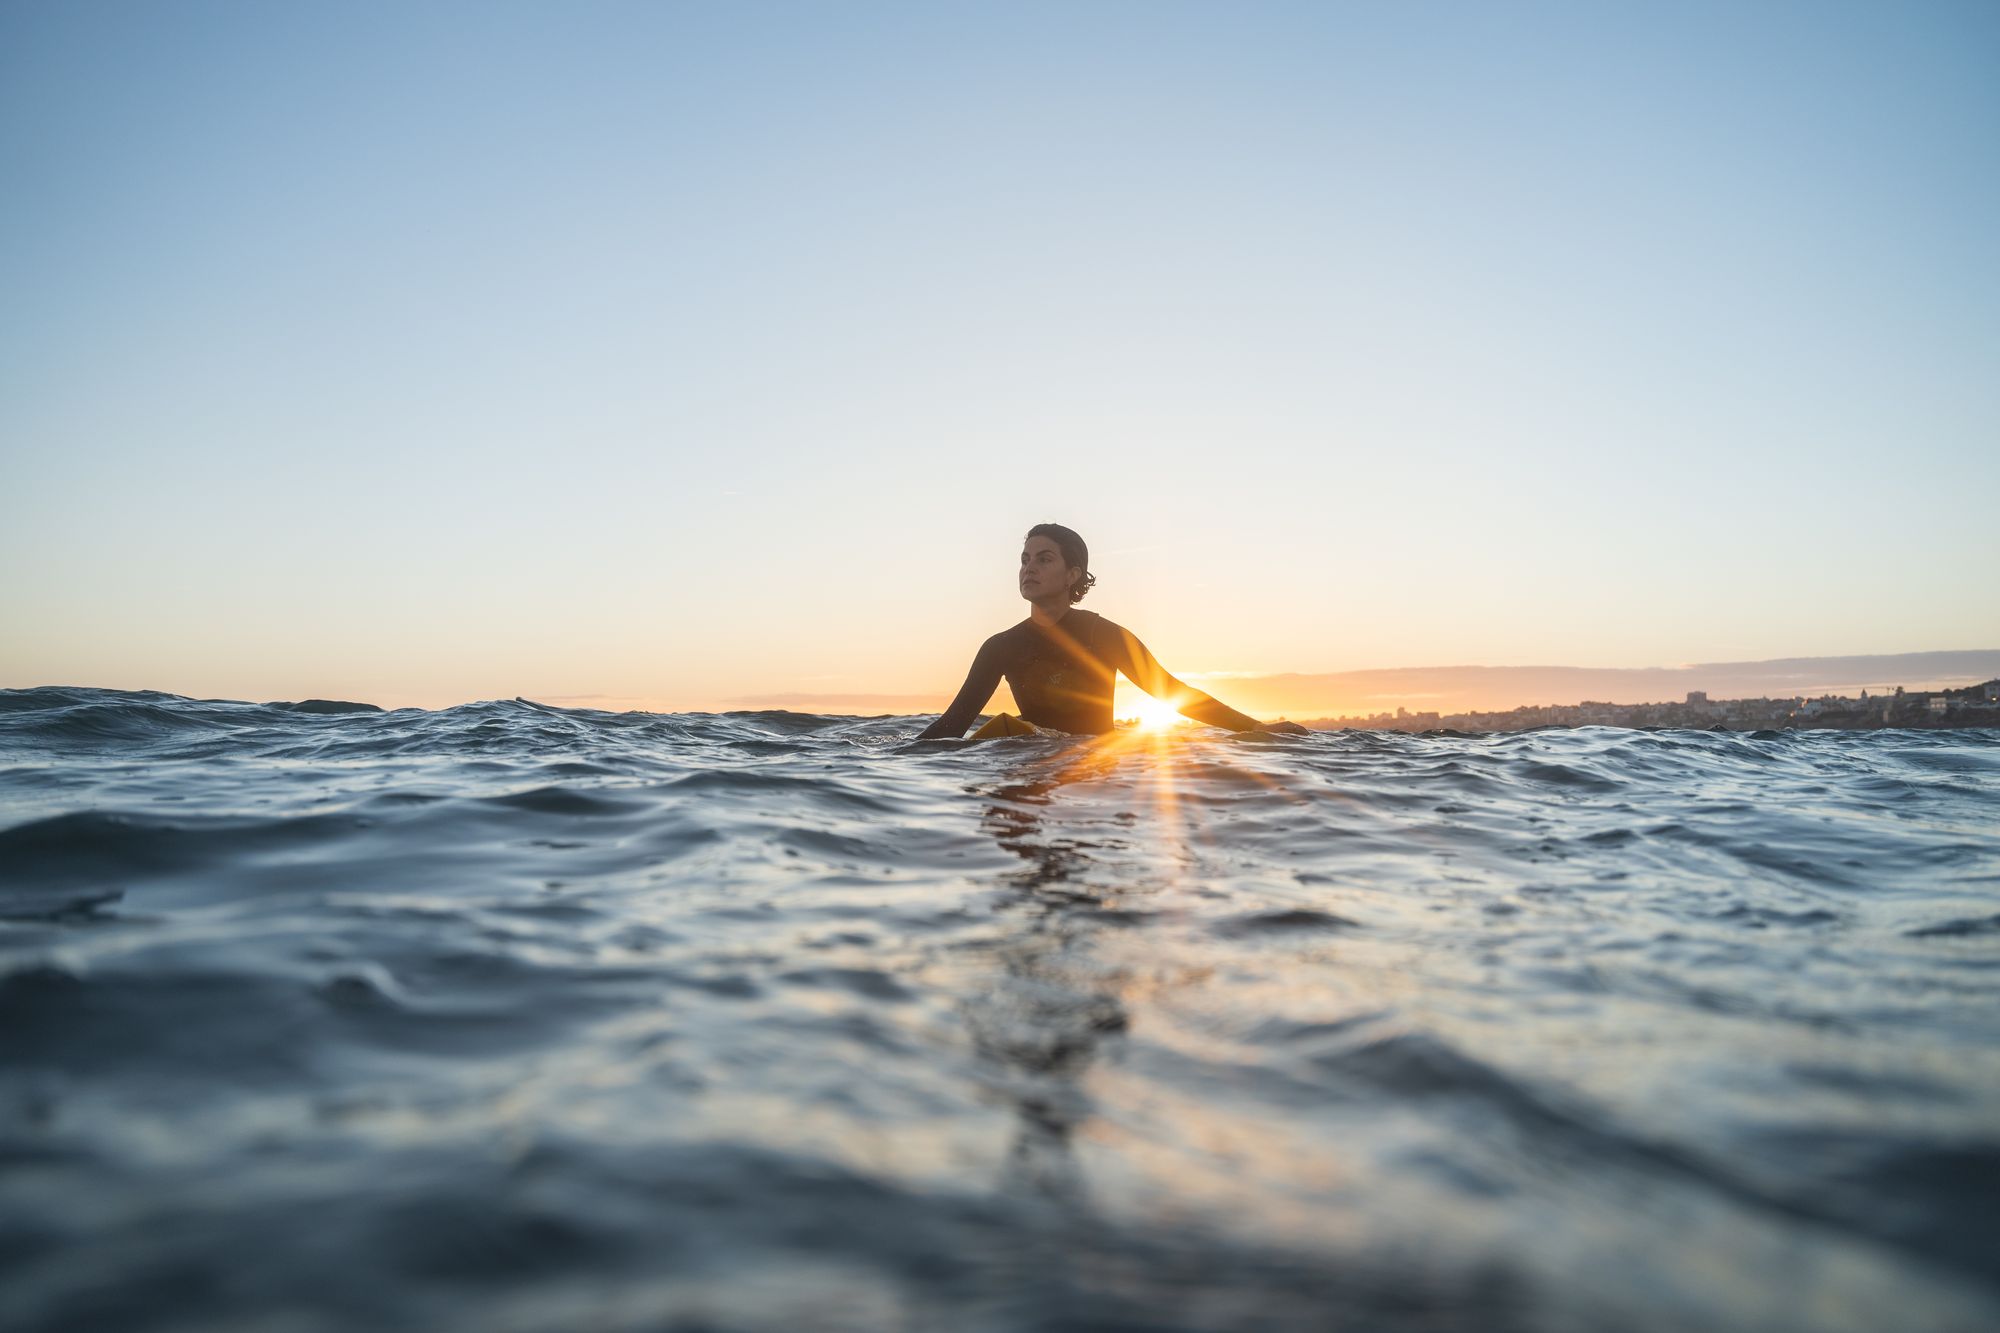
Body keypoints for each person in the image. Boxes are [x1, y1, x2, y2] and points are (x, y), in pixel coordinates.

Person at [916, 523, 1311, 740]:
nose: (1028, 568)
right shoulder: (1001, 646)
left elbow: (1171, 692)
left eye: (1043, 558)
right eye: (1024, 559)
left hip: (1092, 760)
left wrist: (1256, 728)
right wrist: (869, 760)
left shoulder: (1101, 635)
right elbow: (952, 726)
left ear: (1073, 574)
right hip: (1024, 757)